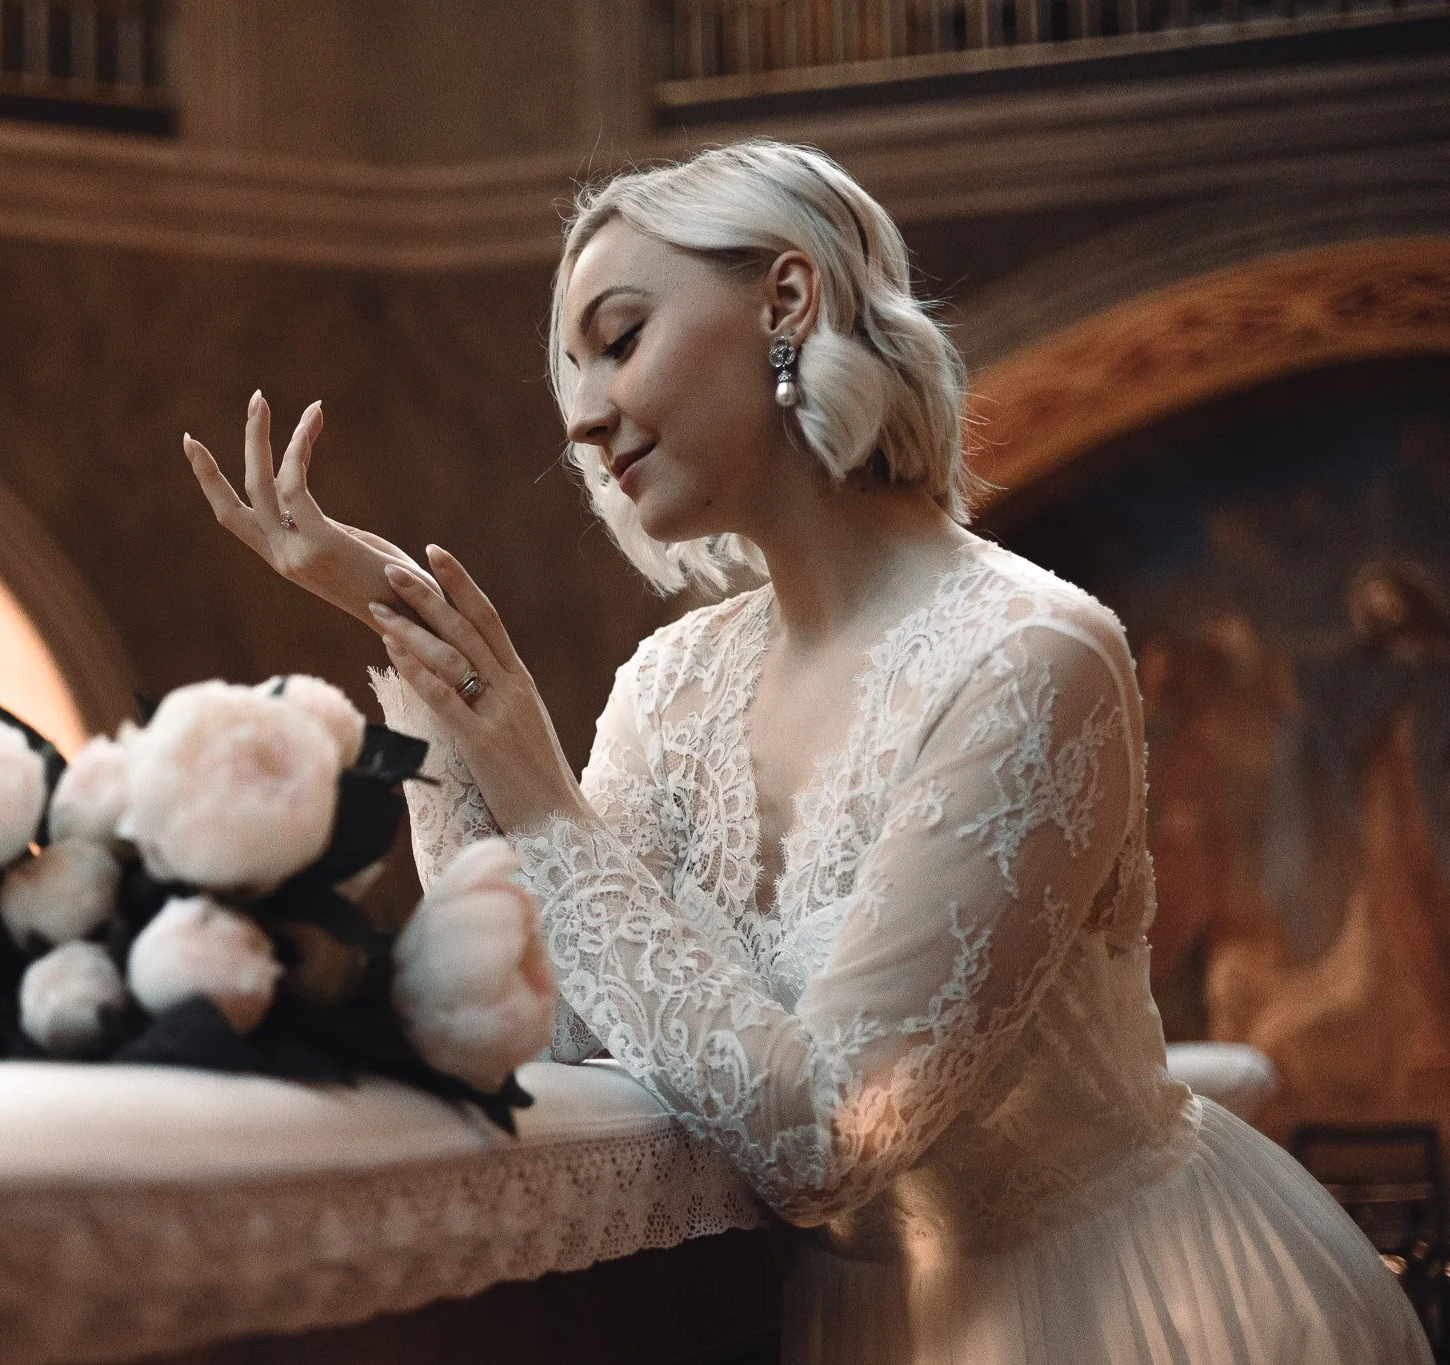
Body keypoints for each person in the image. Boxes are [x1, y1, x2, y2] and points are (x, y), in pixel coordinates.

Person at [180, 140, 1426, 1362]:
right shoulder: (675, 679)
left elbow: (825, 1139)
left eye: (617, 340)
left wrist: (536, 794)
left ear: (786, 296)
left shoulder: (1031, 657)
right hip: (854, 1324)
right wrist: (423, 651)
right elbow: (550, 1022)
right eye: (565, 374)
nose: (579, 415)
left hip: (1122, 1313)